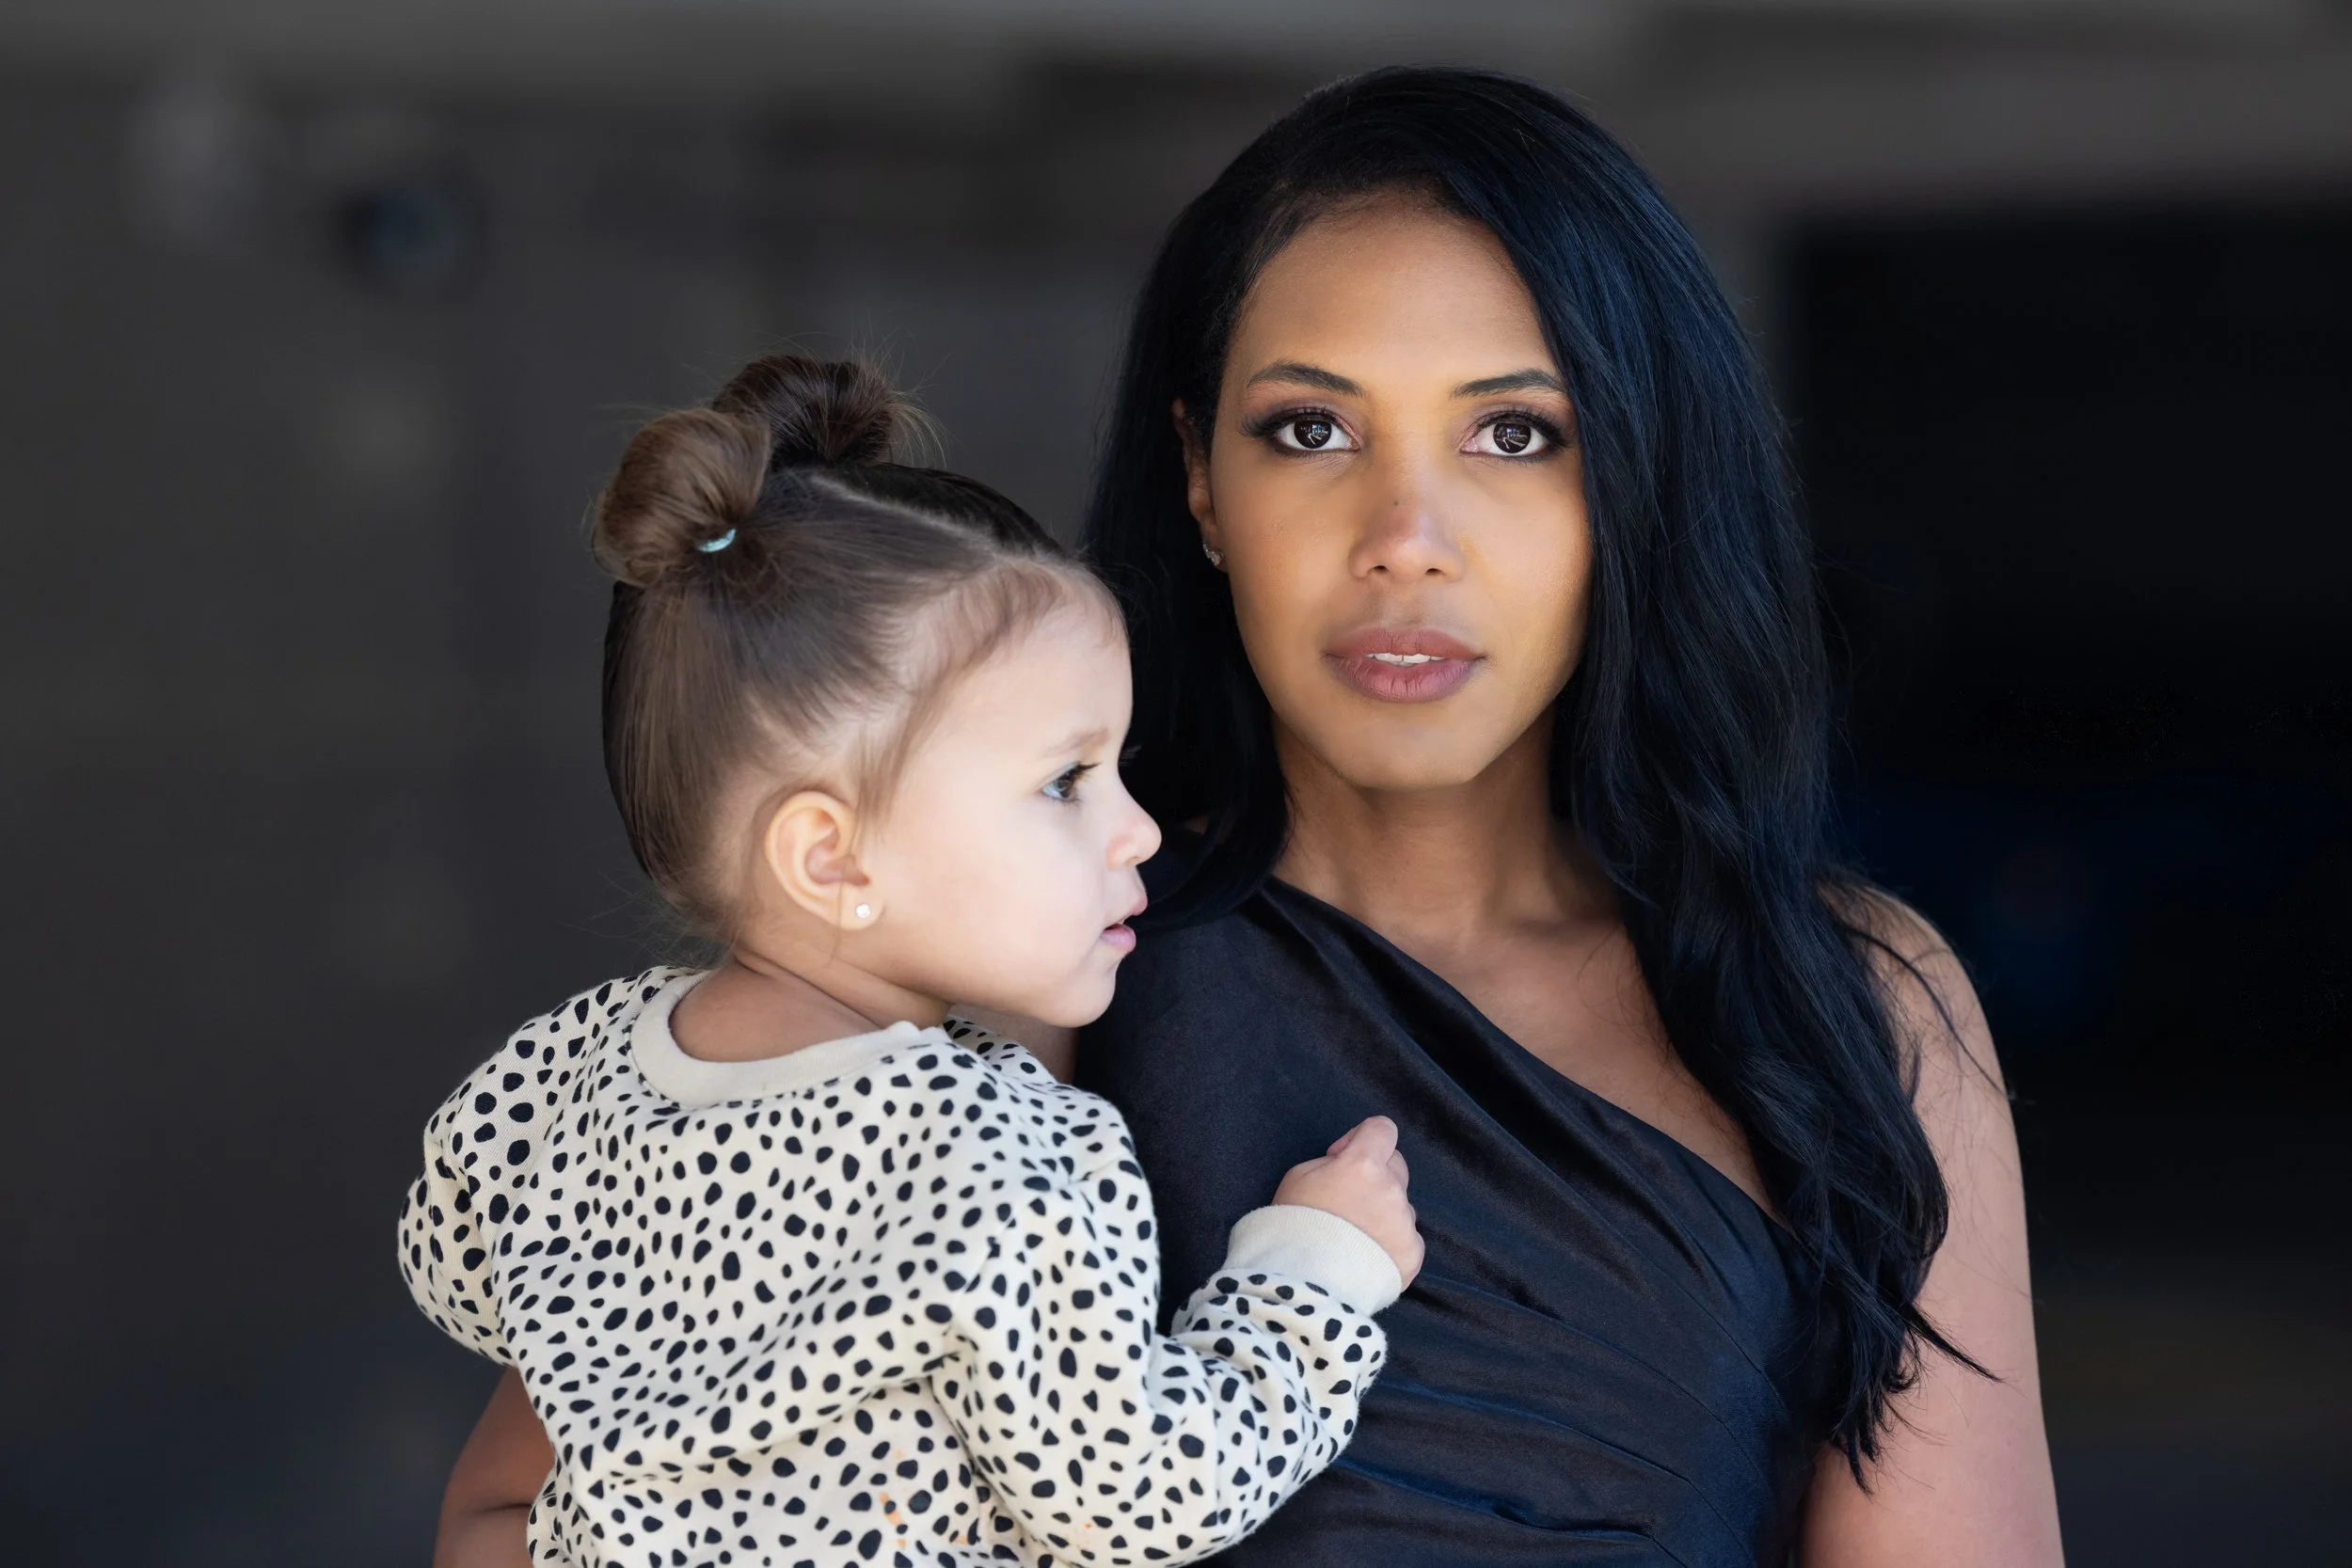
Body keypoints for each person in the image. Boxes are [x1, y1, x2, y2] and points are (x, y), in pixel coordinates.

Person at [441, 67, 2063, 1567]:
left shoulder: (1848, 1004)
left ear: (1635, 479)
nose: (1405, 537)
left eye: (1516, 432)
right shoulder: (1014, 961)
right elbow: (543, 1505)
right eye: (1311, 429)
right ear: (1205, 483)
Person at [402, 355, 1422, 1568]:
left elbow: (483, 1415)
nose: (1139, 829)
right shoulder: (1001, 1160)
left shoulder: (563, 1086)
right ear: (831, 861)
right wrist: (1313, 1277)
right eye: (1065, 781)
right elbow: (1141, 1494)